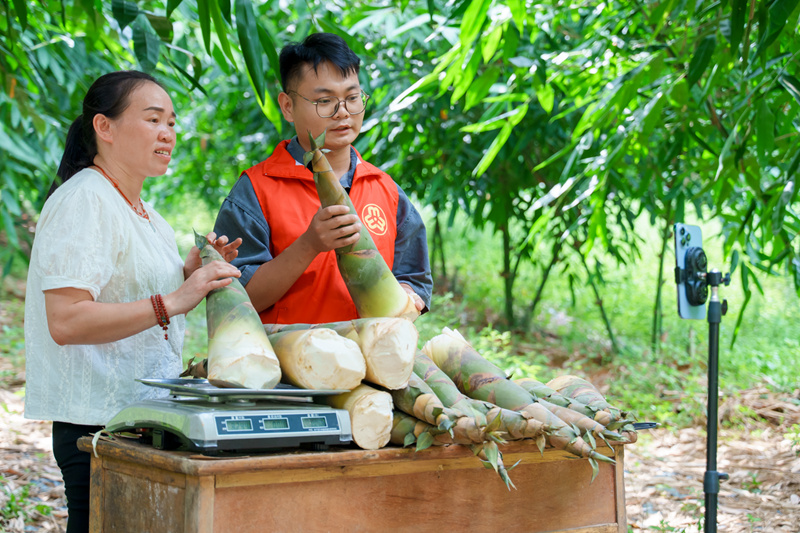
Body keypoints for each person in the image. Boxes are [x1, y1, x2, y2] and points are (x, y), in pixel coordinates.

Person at [23, 71, 242, 533]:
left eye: (172, 122)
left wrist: (189, 273)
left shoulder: (147, 214)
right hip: (96, 427)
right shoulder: (84, 199)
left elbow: (135, 293)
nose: (168, 133)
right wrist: (176, 298)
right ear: (104, 127)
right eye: (153, 119)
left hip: (139, 418)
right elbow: (66, 320)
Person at [213, 32, 432, 324]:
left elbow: (413, 277)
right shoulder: (256, 190)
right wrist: (309, 245)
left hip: (375, 363)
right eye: (325, 100)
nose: (343, 112)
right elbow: (238, 299)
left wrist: (407, 296)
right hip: (288, 366)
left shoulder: (385, 189)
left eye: (352, 98)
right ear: (288, 106)